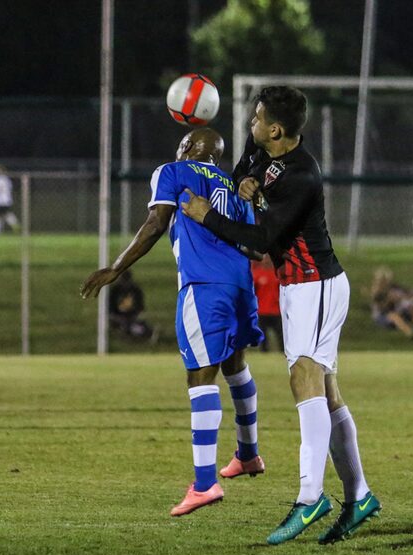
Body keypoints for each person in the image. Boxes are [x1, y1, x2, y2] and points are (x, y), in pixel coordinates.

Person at [182, 86, 380, 545]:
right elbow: (241, 175)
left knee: (303, 377)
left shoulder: (302, 176)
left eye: (255, 120)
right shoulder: (262, 148)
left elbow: (260, 241)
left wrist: (206, 215)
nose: (249, 126)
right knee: (326, 393)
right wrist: (242, 185)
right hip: (298, 289)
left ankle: (310, 498)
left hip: (318, 284)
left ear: (275, 129)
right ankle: (360, 495)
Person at [81, 128, 266, 517]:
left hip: (204, 287)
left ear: (185, 148)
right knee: (235, 366)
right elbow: (255, 246)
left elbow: (155, 223)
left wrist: (116, 268)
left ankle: (204, 484)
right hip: (241, 285)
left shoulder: (173, 170)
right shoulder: (235, 185)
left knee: (200, 378)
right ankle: (248, 453)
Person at [370, 266, 413, 339]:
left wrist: (410, 295)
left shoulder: (393, 286)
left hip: (399, 311)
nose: (385, 282)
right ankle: (410, 333)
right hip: (384, 317)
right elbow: (382, 309)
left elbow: (409, 293)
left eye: (386, 279)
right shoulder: (377, 293)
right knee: (394, 316)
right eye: (383, 280)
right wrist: (390, 300)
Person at [108, 270, 156, 341]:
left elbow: (140, 307)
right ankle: (137, 333)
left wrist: (136, 315)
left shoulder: (136, 290)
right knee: (126, 325)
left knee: (135, 325)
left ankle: (142, 333)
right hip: (118, 317)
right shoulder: (115, 290)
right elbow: (110, 308)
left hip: (132, 316)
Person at [251, 254, 281, 352]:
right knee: (263, 334)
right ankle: (264, 352)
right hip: (262, 310)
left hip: (276, 311)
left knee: (280, 333)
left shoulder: (278, 273)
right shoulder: (257, 274)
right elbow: (252, 291)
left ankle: (283, 351)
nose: (267, 260)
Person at [0, 165, 19, 234]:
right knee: (4, 214)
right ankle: (14, 225)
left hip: (0, 200)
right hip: (7, 200)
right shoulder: (7, 179)